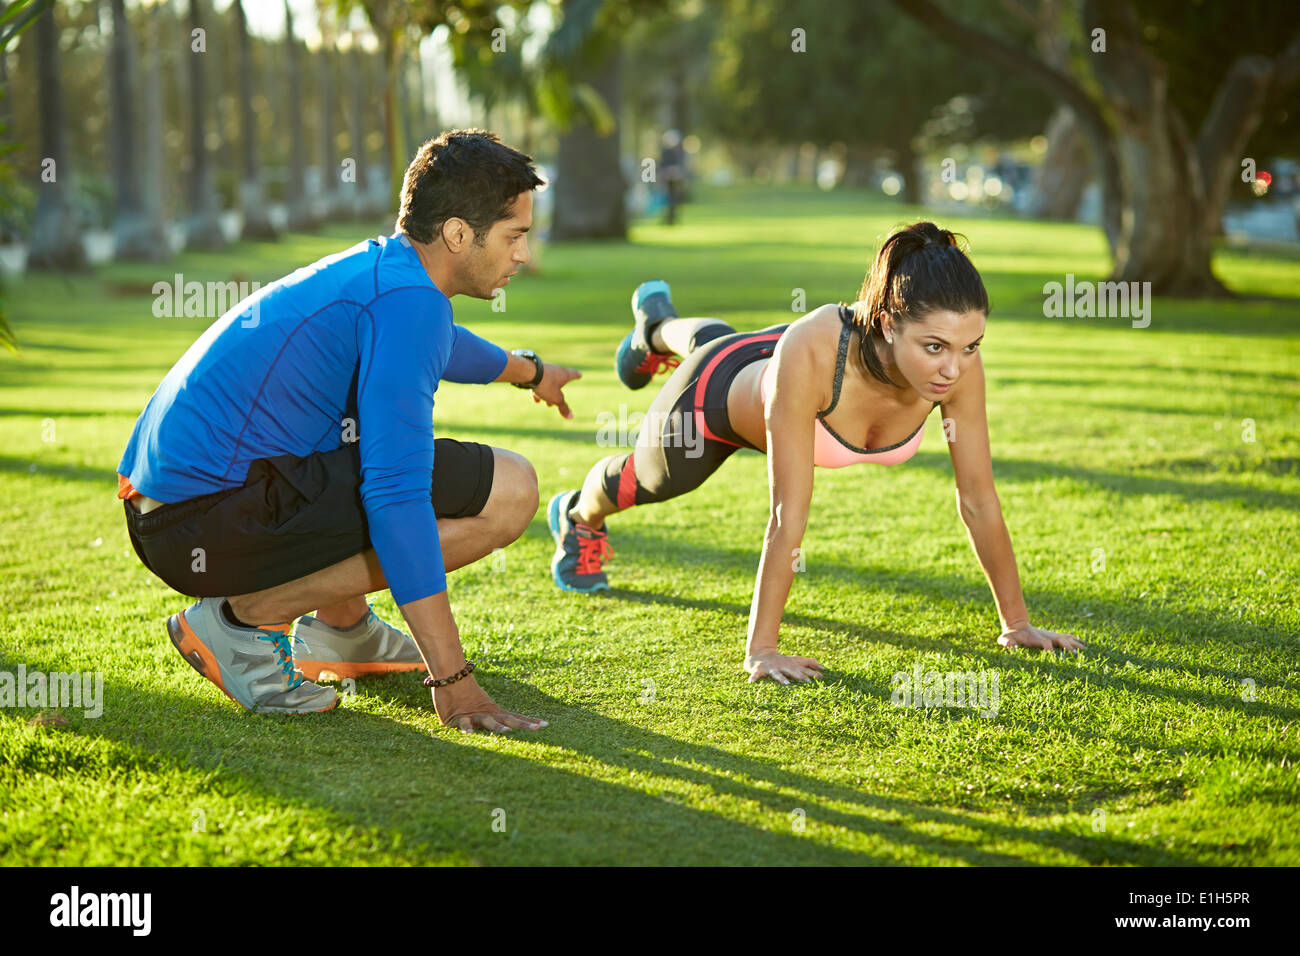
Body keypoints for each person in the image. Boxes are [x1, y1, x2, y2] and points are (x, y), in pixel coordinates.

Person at [117, 129, 579, 732]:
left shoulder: (390, 275)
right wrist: (454, 679)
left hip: (173, 512)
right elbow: (395, 496)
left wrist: (530, 371)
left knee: (343, 436)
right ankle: (239, 622)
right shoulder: (409, 305)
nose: (522, 253)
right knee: (510, 489)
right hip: (196, 523)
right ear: (459, 233)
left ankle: (343, 631)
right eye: (514, 236)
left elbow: (446, 345)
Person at [546, 221, 1084, 684]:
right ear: (889, 324)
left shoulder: (956, 369)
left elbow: (978, 499)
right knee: (651, 479)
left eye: (971, 347)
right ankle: (579, 513)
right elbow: (786, 516)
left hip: (779, 363)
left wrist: (1017, 624)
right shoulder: (816, 350)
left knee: (729, 338)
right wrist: (762, 649)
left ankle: (658, 326)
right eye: (935, 347)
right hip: (717, 397)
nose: (953, 367)